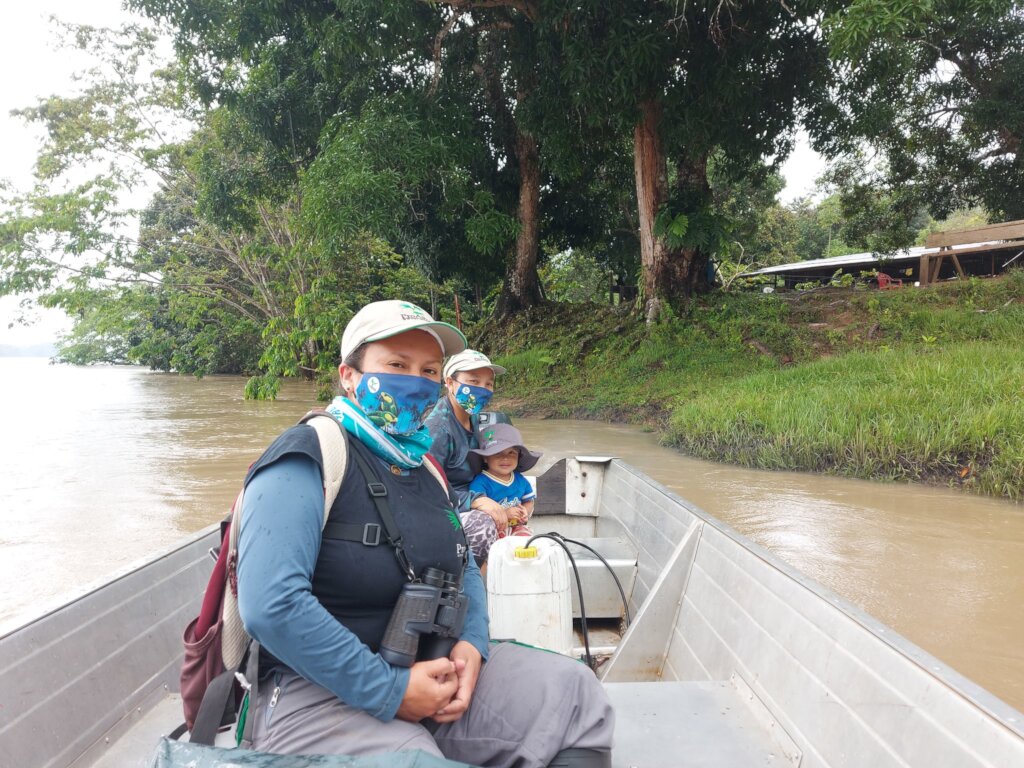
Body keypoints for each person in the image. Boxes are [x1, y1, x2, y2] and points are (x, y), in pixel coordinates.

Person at [236, 300, 614, 768]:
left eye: (428, 370)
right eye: (396, 365)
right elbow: (271, 606)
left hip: (433, 670)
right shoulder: (310, 455)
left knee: (574, 693)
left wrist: (472, 645)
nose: (414, 381)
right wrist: (390, 690)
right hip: (314, 687)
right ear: (349, 375)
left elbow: (462, 569)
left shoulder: (424, 466)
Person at [425, 349, 517, 562]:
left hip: (474, 493)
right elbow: (427, 488)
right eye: (473, 381)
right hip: (442, 508)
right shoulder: (438, 429)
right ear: (450, 382)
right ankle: (462, 581)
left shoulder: (473, 417)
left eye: (488, 384)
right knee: (483, 526)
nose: (482, 390)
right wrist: (475, 501)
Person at [466, 423, 542, 561]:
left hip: (516, 528)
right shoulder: (481, 482)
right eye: (497, 453)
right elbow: (477, 510)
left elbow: (528, 501)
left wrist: (525, 512)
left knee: (528, 545)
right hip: (493, 531)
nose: (505, 458)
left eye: (511, 453)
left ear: (519, 456)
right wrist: (505, 514)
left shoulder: (519, 479)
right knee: (498, 554)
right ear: (485, 457)